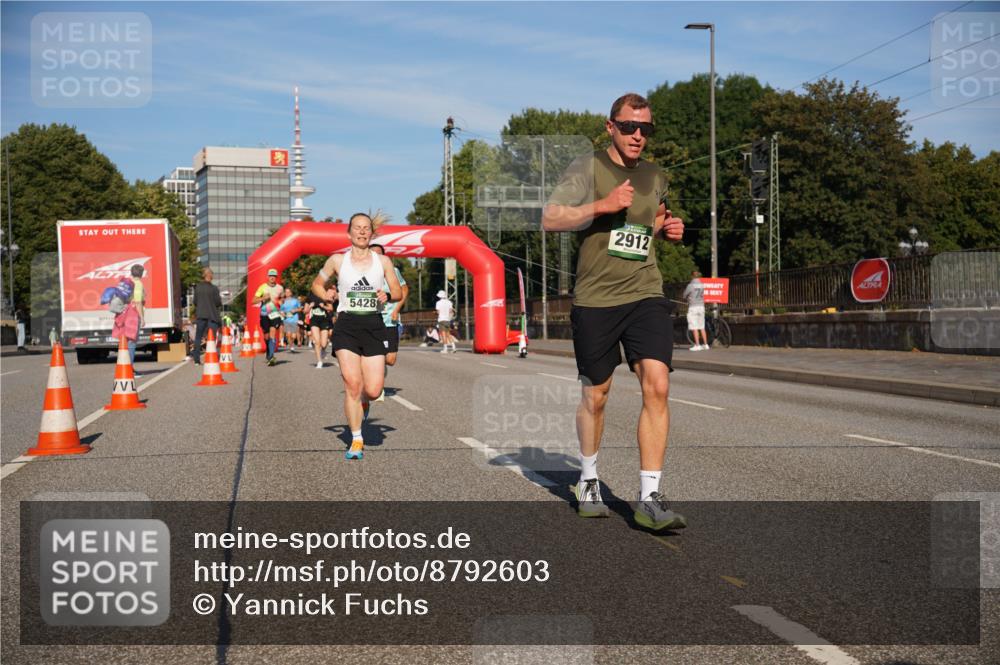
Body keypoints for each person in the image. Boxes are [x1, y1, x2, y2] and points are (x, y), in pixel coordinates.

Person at [542, 92, 687, 531]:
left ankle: (649, 497)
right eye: (629, 127)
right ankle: (588, 480)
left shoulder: (656, 175)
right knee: (595, 394)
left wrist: (668, 230)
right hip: (596, 300)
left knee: (657, 385)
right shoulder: (587, 168)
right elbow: (550, 217)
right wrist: (600, 207)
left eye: (646, 129)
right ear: (611, 127)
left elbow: (653, 218)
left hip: (645, 292)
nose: (638, 135)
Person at [313, 211, 402, 460]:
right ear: (349, 232)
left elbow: (396, 291)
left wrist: (387, 295)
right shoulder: (337, 261)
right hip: (347, 325)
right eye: (357, 228)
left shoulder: (382, 262)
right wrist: (326, 295)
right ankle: (356, 439)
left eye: (366, 228)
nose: (362, 231)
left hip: (374, 325)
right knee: (352, 384)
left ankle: (364, 401)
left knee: (372, 390)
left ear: (371, 233)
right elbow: (316, 285)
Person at [370, 243, 410, 376]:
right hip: (370, 320)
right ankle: (376, 383)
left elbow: (404, 290)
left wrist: (396, 309)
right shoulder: (361, 272)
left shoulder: (393, 271)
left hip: (389, 321)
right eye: (373, 254)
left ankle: (378, 368)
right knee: (375, 355)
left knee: (390, 359)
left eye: (379, 254)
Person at [112, 264, 145, 368]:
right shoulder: (138, 284)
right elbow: (138, 302)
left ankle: (123, 367)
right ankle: (129, 369)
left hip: (122, 313)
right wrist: (142, 318)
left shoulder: (125, 283)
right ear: (141, 273)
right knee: (132, 342)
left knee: (124, 341)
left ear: (131, 272)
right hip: (132, 314)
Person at [253, 268, 284, 366]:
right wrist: (263, 298)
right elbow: (253, 301)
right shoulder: (262, 287)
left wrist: (280, 302)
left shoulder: (280, 288)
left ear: (276, 277)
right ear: (267, 277)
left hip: (275, 314)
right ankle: (268, 350)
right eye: (270, 276)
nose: (272, 278)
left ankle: (271, 356)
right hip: (264, 314)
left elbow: (282, 299)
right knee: (266, 337)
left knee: (272, 335)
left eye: (274, 276)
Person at [192, 267, 223, 365]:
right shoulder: (214, 289)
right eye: (212, 274)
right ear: (209, 275)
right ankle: (211, 358)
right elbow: (218, 303)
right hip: (212, 316)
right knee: (211, 338)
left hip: (201, 315)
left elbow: (195, 302)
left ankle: (196, 360)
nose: (212, 276)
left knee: (198, 337)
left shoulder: (198, 287)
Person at [307, 286, 336, 368]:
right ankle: (319, 361)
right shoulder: (310, 297)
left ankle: (323, 350)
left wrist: (323, 306)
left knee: (324, 343)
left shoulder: (326, 296)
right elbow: (305, 310)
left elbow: (331, 308)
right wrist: (310, 306)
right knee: (317, 342)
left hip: (324, 320)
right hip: (314, 320)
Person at [683, 270, 708, 351]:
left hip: (693, 307)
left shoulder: (690, 285)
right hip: (701, 306)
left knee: (694, 327)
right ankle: (705, 344)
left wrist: (688, 299)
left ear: (692, 276)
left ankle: (697, 345)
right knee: (702, 327)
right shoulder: (702, 285)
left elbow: (684, 295)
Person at [280, 288, 303, 352]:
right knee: (288, 335)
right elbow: (281, 310)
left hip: (294, 319)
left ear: (291, 293)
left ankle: (292, 344)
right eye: (286, 292)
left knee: (293, 336)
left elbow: (301, 308)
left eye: (288, 292)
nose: (287, 293)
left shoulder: (295, 300)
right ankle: (291, 346)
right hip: (286, 319)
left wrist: (295, 310)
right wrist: (282, 314)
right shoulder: (283, 301)